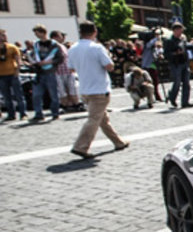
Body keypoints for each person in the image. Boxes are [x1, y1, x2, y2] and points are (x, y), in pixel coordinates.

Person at [68, 20, 128, 159]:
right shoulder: (97, 48)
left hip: (84, 89)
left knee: (102, 119)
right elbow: (109, 66)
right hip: (99, 88)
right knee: (94, 119)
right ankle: (81, 146)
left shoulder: (73, 48)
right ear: (94, 32)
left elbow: (71, 68)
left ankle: (118, 142)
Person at [29, 25, 63, 122]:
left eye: (37, 33)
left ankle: (55, 113)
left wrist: (49, 62)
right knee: (36, 94)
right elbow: (33, 55)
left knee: (53, 94)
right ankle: (38, 113)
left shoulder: (54, 44)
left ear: (43, 32)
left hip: (50, 71)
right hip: (39, 72)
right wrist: (34, 61)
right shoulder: (36, 45)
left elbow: (60, 58)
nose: (36, 35)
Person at [164, 22, 192, 108]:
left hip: (184, 62)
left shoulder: (182, 40)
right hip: (176, 64)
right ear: (175, 30)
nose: (181, 32)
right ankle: (172, 97)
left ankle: (185, 102)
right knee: (177, 82)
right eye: (180, 30)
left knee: (186, 83)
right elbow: (166, 54)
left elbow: (186, 47)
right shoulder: (169, 41)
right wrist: (175, 53)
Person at [0, 29, 27, 121]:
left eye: (5, 35)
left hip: (13, 74)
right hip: (1, 75)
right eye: (2, 35)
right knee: (6, 96)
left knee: (18, 95)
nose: (5, 37)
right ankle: (11, 114)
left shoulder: (12, 47)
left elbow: (18, 60)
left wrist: (17, 71)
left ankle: (23, 113)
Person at [142, 31, 162, 100]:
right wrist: (156, 37)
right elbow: (150, 44)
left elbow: (156, 53)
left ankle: (156, 95)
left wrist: (159, 55)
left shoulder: (153, 47)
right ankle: (150, 96)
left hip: (152, 65)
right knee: (149, 82)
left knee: (156, 81)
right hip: (147, 66)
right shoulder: (146, 45)